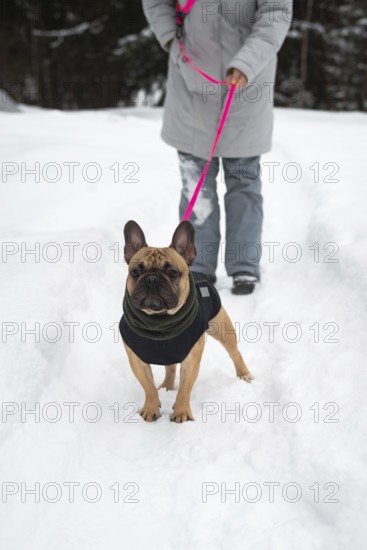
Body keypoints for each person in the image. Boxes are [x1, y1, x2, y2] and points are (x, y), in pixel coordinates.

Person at [142, 0, 292, 294]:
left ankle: (244, 267)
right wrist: (172, 39)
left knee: (244, 183)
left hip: (248, 83)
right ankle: (196, 266)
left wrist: (246, 63)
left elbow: (276, 13)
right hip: (190, 79)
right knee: (195, 184)